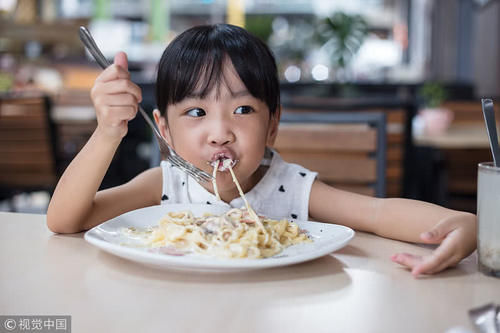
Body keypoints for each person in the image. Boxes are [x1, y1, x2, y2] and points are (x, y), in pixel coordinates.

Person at [47, 24, 476, 277]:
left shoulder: (289, 188)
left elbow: (379, 215)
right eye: (196, 111)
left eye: (242, 109)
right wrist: (107, 131)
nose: (220, 133)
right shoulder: (165, 184)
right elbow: (66, 220)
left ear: (272, 126)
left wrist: (461, 225)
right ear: (164, 130)